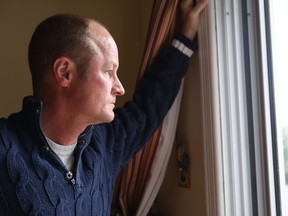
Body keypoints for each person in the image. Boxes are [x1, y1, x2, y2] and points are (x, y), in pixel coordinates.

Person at [0, 0, 208, 215]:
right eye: (109, 71)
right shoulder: (4, 148)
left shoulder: (106, 142)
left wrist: (184, 36)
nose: (119, 88)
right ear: (64, 72)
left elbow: (150, 103)